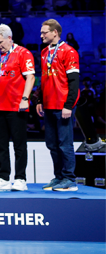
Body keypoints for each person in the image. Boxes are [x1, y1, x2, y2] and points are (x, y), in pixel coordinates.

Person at [0, 24, 35, 192]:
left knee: (19, 144)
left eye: (1, 42)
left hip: (17, 106)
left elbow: (30, 78)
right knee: (0, 145)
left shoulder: (23, 54)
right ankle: (3, 178)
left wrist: (25, 99)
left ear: (10, 38)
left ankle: (20, 179)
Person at [37, 20, 80, 192]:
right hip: (48, 104)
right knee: (52, 144)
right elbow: (44, 79)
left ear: (55, 32)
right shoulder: (43, 52)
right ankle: (59, 177)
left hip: (63, 105)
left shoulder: (69, 52)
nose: (41, 35)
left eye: (44, 32)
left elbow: (74, 82)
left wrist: (69, 105)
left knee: (65, 144)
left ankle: (70, 179)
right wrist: (39, 100)